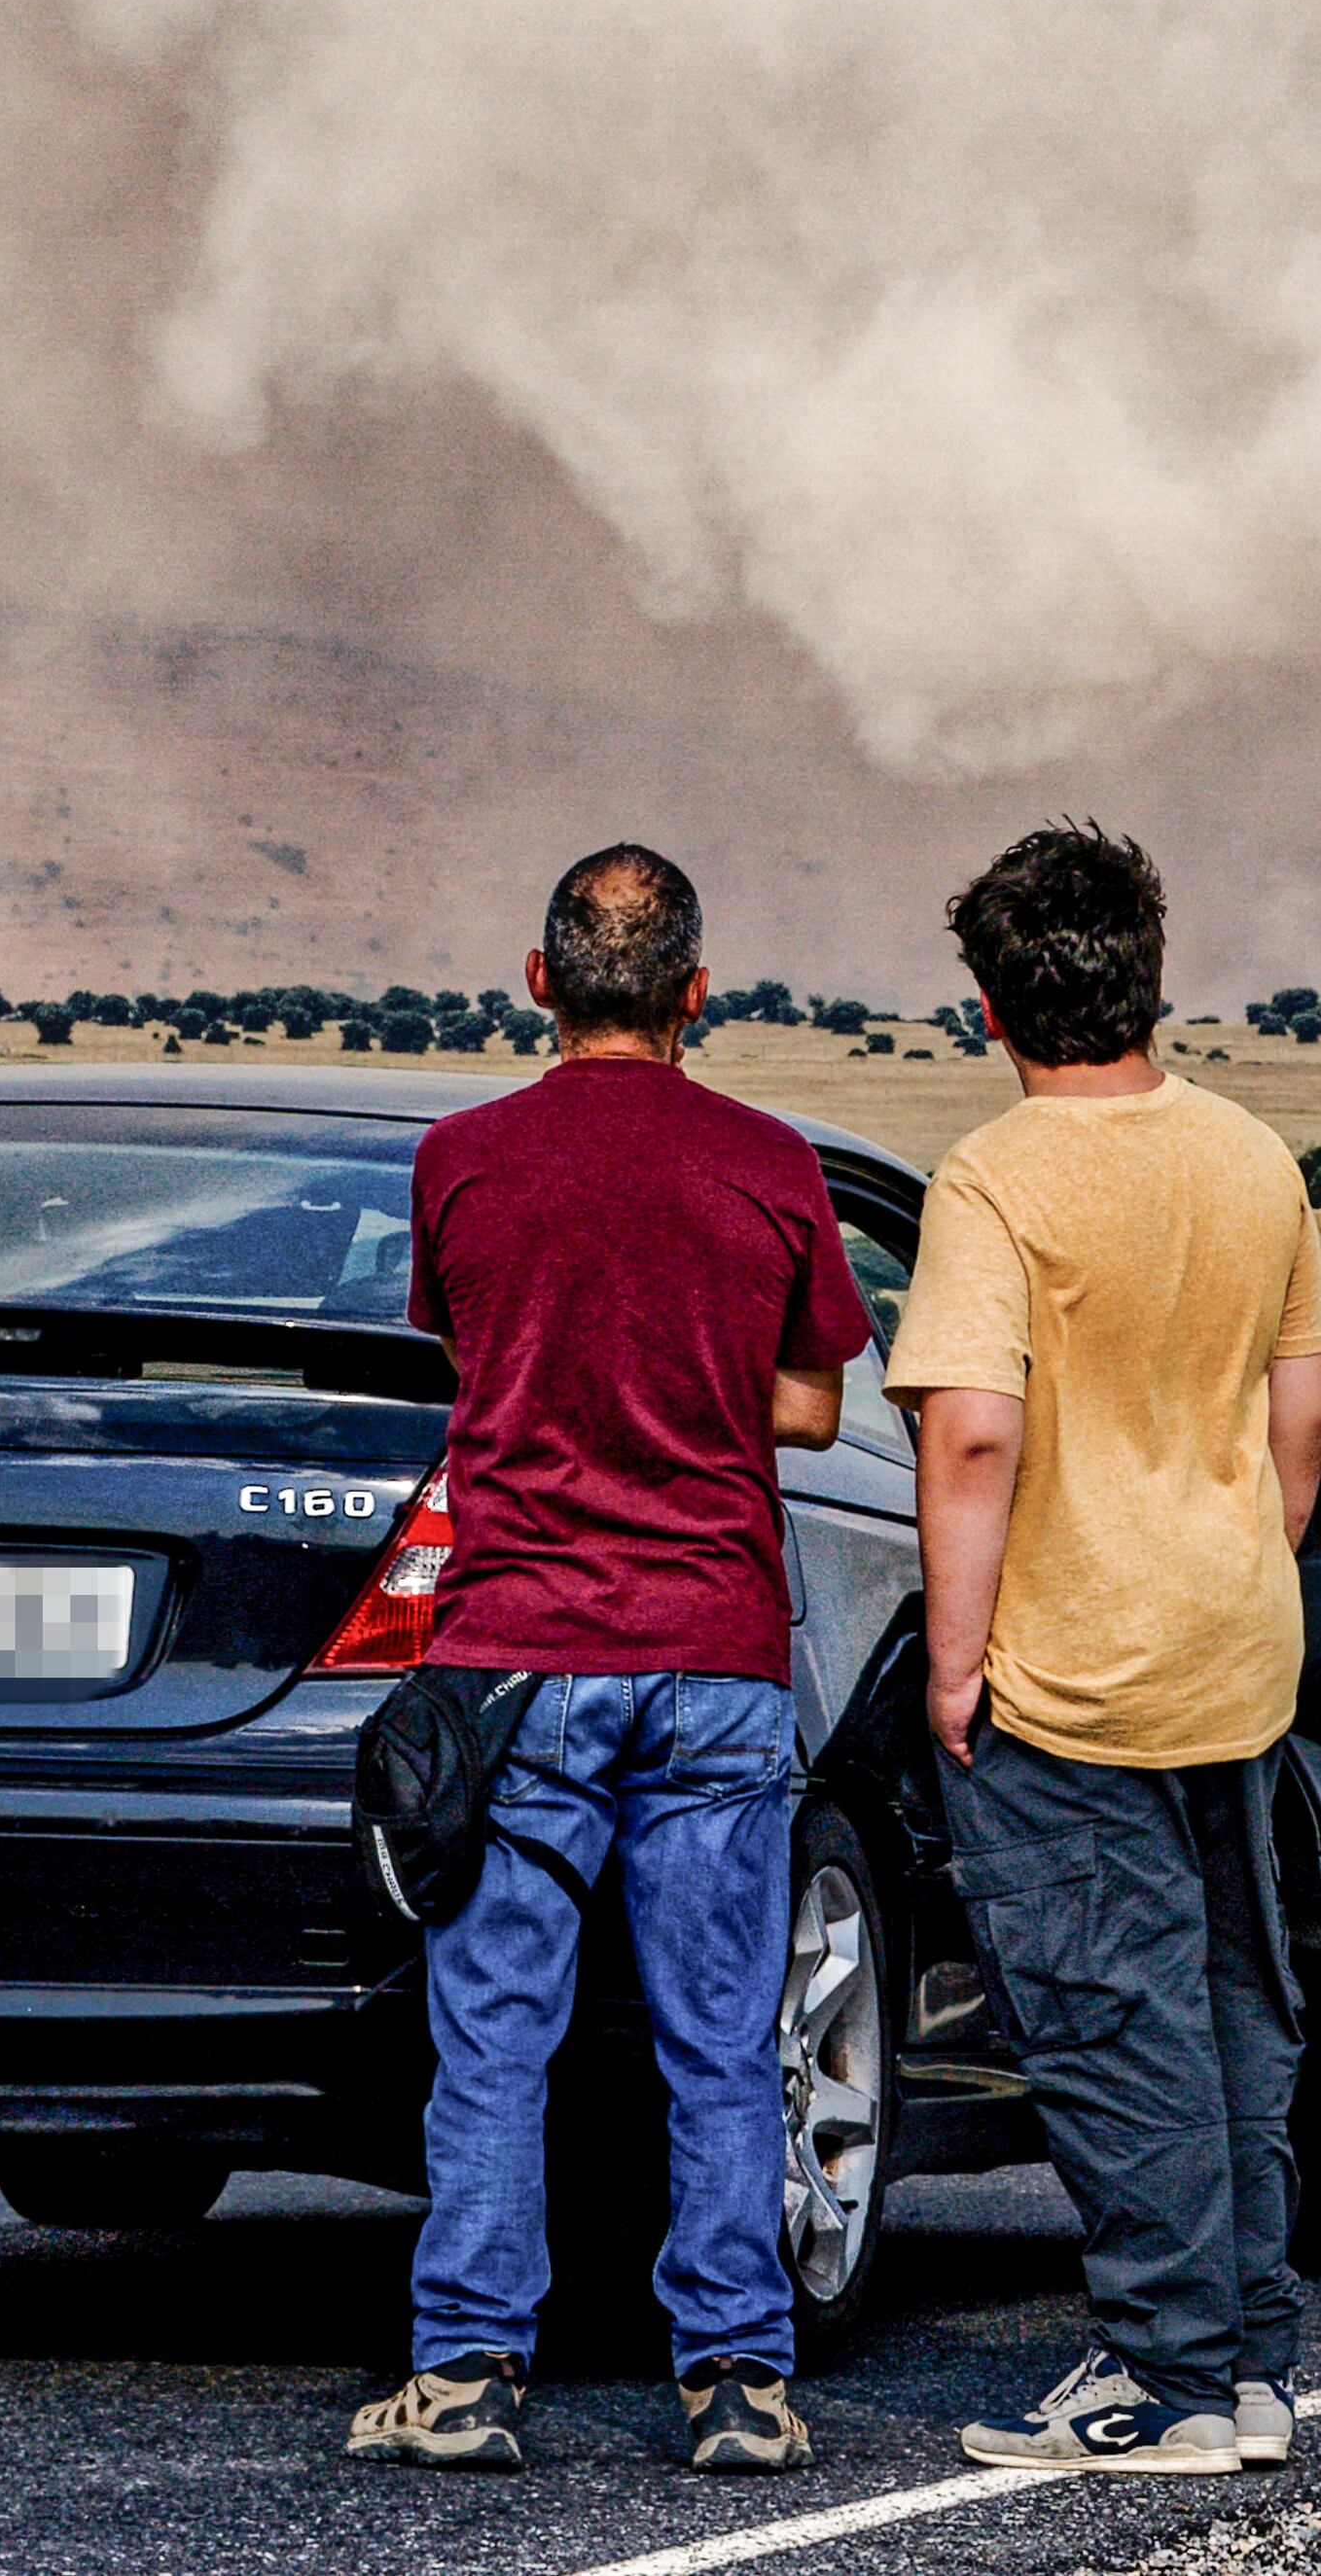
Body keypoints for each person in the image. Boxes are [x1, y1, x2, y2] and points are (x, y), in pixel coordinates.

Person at [343, 845, 871, 2480]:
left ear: (536, 979)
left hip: (515, 1656)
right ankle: (738, 2381)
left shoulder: (463, 1161)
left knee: (493, 2037)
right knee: (721, 2037)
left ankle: (465, 2375)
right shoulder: (773, 1163)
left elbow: (480, 1350)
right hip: (714, 1649)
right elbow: (816, 1404)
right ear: (698, 991)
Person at [885, 823, 1321, 2479]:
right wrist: (1243, 1547)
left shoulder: (994, 1178)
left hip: (1072, 1669)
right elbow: (1304, 1415)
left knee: (1102, 2010)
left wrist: (952, 1660)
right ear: (1150, 977)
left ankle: (1166, 2379)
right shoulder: (1256, 1157)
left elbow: (975, 1441)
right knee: (1234, 2008)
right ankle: (1251, 2358)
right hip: (1236, 1648)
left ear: (992, 1005)